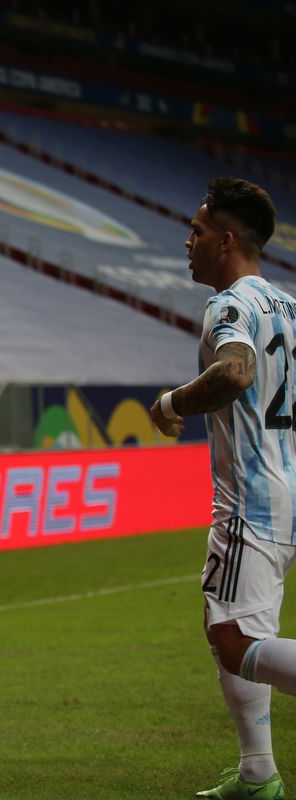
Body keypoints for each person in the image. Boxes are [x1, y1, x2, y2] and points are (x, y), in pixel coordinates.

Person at [149, 177, 289, 800]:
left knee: (232, 641)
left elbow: (233, 373)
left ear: (227, 240)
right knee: (240, 632)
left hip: (251, 500)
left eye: (199, 231)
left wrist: (172, 401)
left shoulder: (231, 304)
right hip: (288, 489)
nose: (189, 241)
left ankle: (260, 774)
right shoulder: (289, 305)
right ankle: (258, 774)